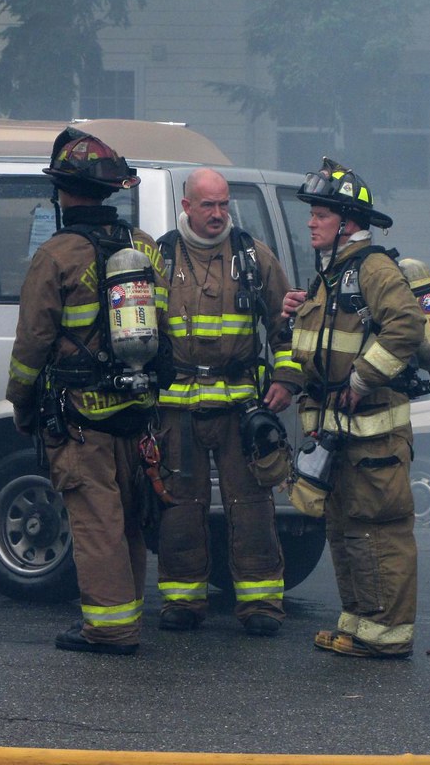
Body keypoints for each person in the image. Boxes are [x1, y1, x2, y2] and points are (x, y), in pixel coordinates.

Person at [6, 128, 171, 656]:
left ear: (64, 192)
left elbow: (32, 342)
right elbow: (165, 322)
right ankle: (128, 614)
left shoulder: (56, 255)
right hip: (139, 410)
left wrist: (21, 402)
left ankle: (111, 627)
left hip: (81, 419)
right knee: (131, 519)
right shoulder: (143, 247)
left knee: (97, 522)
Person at [284, 158, 425, 659]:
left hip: (375, 437)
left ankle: (388, 635)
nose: (310, 222)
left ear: (346, 222)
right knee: (346, 530)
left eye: (319, 214)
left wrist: (364, 377)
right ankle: (361, 624)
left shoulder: (373, 268)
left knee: (378, 532)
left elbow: (407, 325)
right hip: (342, 437)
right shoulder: (334, 275)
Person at [155, 167, 301, 636]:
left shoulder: (253, 257)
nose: (219, 214)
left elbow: (286, 328)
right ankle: (182, 602)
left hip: (240, 406)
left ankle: (261, 606)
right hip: (177, 406)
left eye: (224, 205)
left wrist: (285, 377)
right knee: (180, 505)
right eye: (208, 206)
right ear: (187, 207)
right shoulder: (159, 258)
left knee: (252, 505)